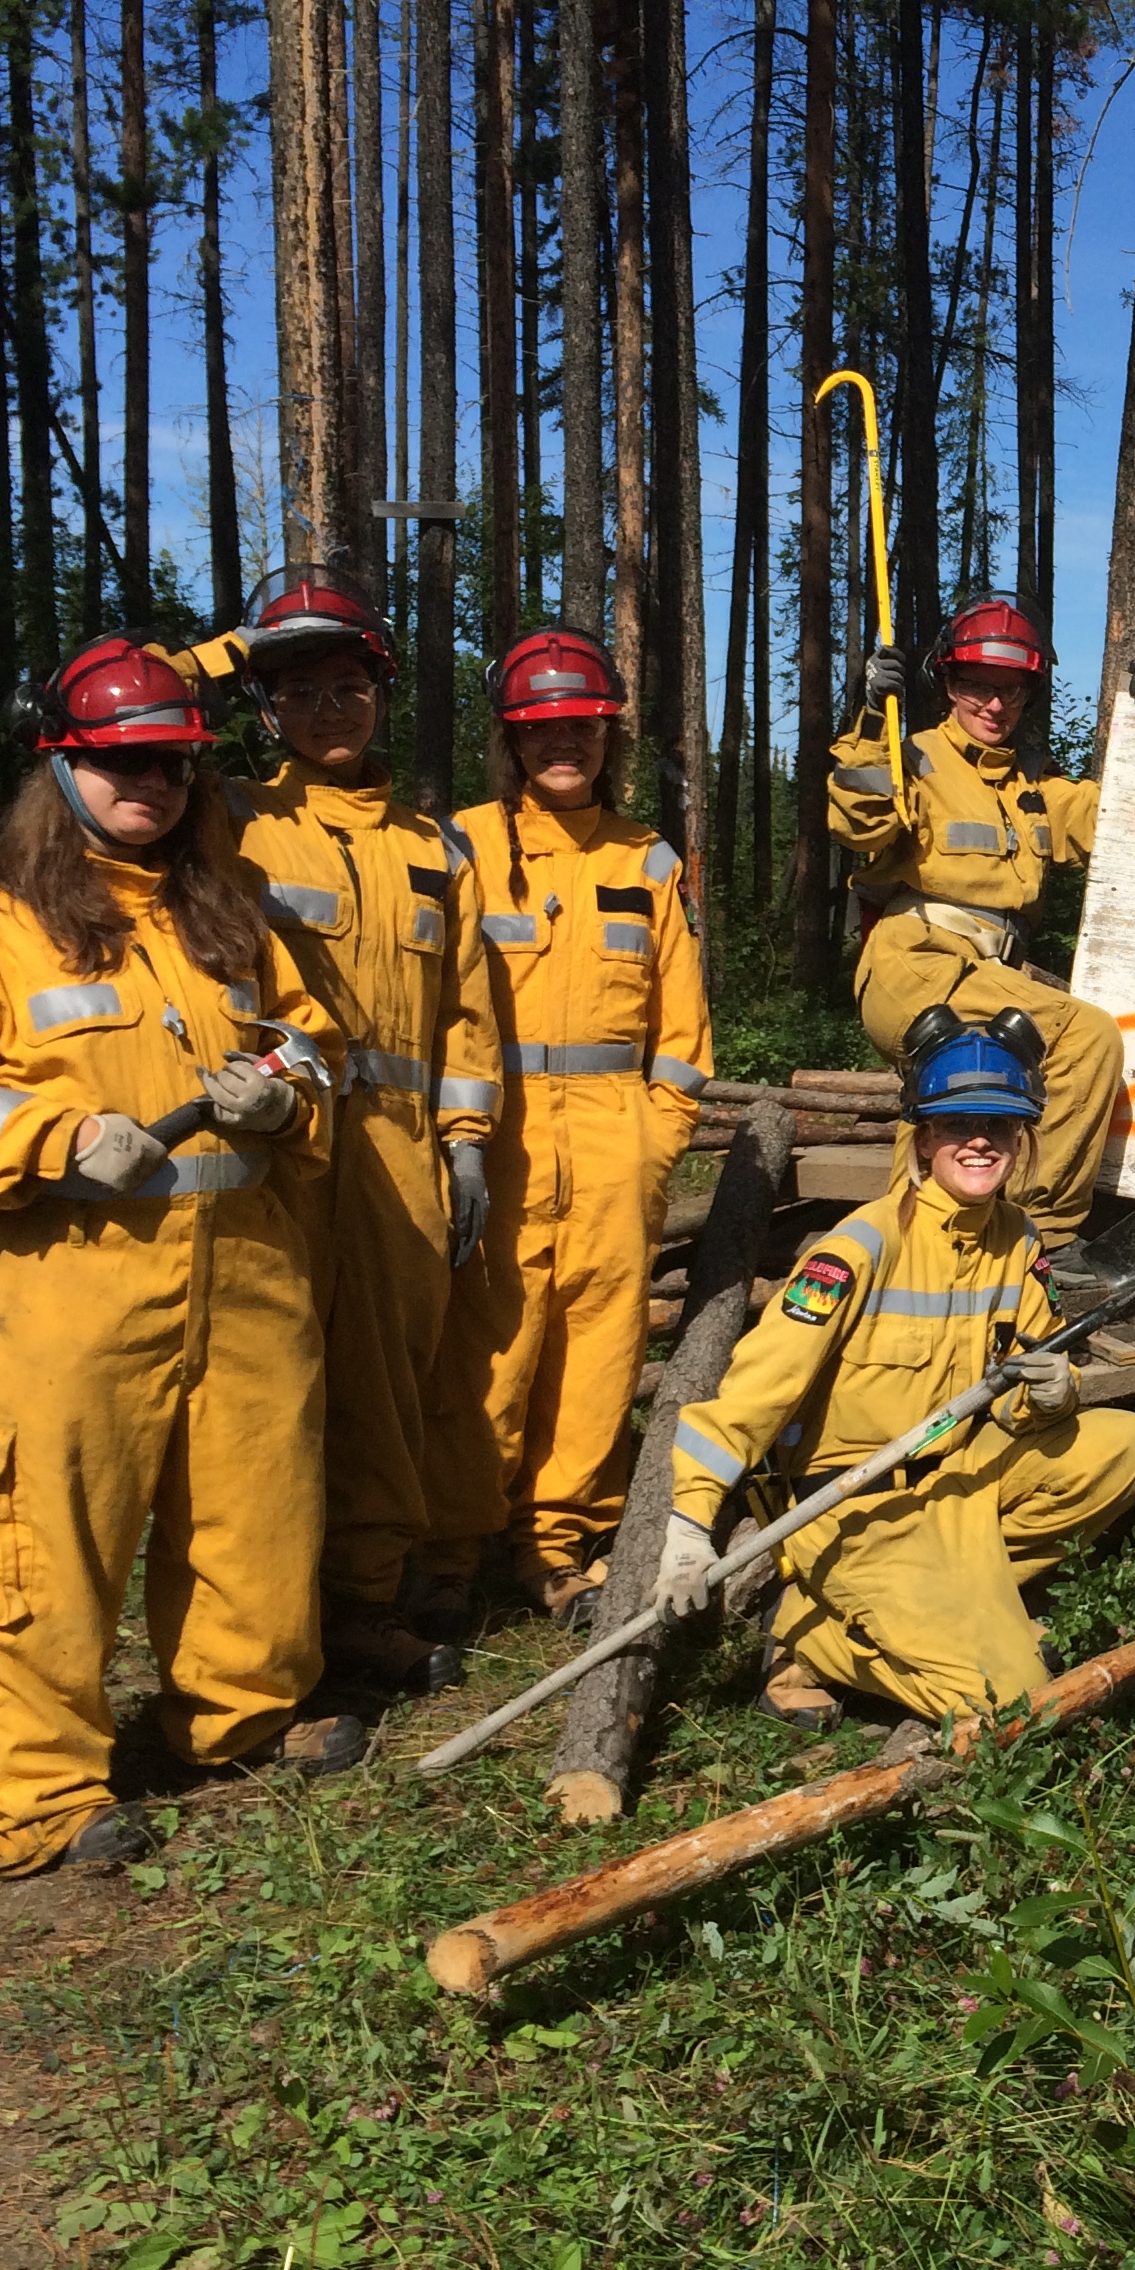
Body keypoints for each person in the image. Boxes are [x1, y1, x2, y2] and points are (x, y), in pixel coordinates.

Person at [0, 634, 345, 1875]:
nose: (153, 785)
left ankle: (238, 1718)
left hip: (242, 1270)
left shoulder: (223, 909)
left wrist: (283, 1095)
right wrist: (57, 1135)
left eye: (174, 765)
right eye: (123, 762)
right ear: (61, 766)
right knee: (40, 1538)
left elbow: (310, 1043)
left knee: (256, 1508)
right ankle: (37, 1800)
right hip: (62, 1291)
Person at [649, 1014, 1135, 1737]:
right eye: (958, 1124)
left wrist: (1052, 1394)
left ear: (1022, 1139)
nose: (980, 1140)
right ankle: (819, 1636)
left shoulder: (1017, 1240)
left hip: (954, 1479)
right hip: (850, 1508)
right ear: (924, 1138)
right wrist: (689, 1522)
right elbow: (754, 1394)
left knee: (1125, 1443)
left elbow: (1022, 1388)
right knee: (1010, 1705)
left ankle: (954, 1599)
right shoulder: (857, 1249)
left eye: (1001, 1124)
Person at [224, 566, 502, 1687]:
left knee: (389, 1385)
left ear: (381, 695)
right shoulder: (233, 820)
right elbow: (129, 732)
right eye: (295, 692)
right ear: (265, 709)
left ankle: (364, 1603)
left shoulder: (438, 850)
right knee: (271, 1379)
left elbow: (471, 1011)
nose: (326, 711)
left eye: (346, 686)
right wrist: (232, 650)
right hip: (275, 1142)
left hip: (399, 1150)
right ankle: (265, 1618)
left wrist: (468, 1138)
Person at [423, 628, 712, 1629]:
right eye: (545, 731)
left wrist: (656, 1136)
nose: (566, 747)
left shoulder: (648, 860)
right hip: (495, 1139)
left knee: (598, 1353)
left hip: (612, 1143)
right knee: (489, 1347)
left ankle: (557, 1541)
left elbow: (684, 1032)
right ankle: (455, 1546)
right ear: (512, 739)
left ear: (607, 738)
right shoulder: (458, 847)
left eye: (583, 730)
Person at [829, 595, 1122, 1250]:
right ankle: (1033, 1239)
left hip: (984, 973)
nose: (995, 706)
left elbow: (1125, 813)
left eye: (1011, 692)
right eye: (978, 687)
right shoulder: (914, 756)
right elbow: (857, 823)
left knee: (952, 1103)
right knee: (1086, 1038)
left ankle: (909, 1256)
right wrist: (876, 720)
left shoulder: (1031, 784)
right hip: (916, 962)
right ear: (948, 683)